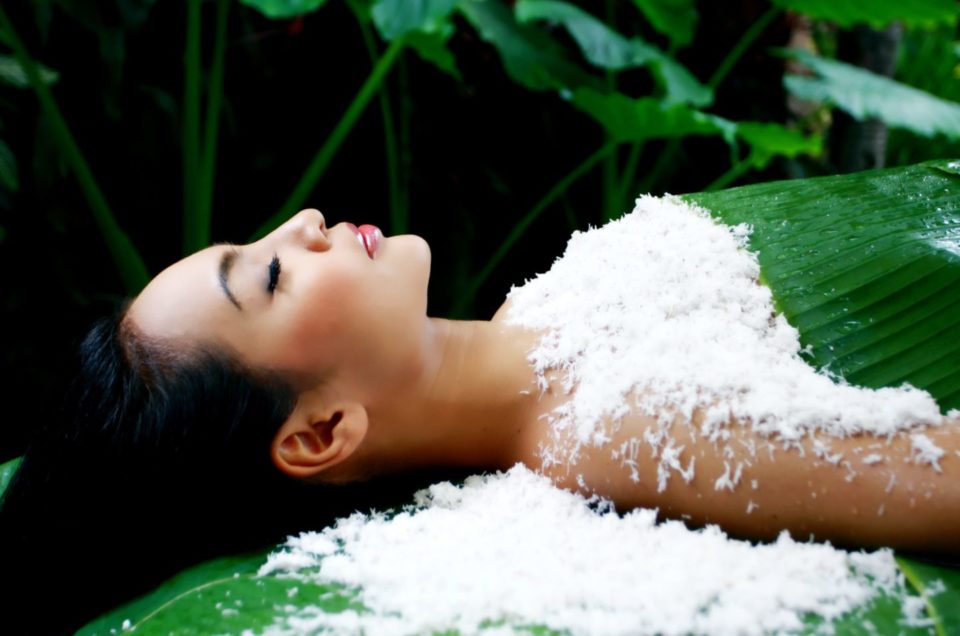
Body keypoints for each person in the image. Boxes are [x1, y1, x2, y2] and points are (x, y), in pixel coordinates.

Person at [2, 208, 958, 634]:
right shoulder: (615, 431)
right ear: (319, 434)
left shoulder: (543, 305)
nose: (304, 221)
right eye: (271, 276)